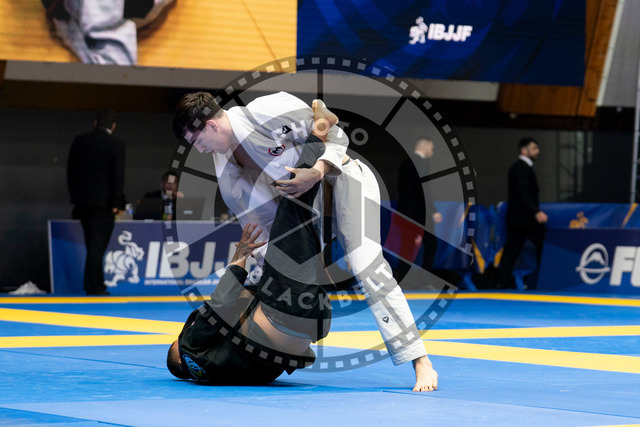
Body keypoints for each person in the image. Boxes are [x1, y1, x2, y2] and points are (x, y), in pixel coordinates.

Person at [173, 92, 438, 391]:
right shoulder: (226, 173)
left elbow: (334, 133)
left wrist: (317, 171)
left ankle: (420, 360)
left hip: (343, 181)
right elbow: (263, 227)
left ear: (211, 125)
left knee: (365, 265)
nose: (200, 150)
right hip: (308, 213)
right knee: (277, 275)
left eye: (197, 141)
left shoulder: (265, 112)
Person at [167, 103, 334, 384]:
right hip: (285, 314)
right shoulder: (189, 348)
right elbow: (221, 304)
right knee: (294, 201)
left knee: (300, 227)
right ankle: (321, 129)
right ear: (180, 358)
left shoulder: (219, 369)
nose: (180, 336)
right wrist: (241, 256)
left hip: (307, 327)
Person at [67, 109, 125, 295]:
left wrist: (76, 197)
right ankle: (96, 287)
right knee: (97, 246)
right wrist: (116, 203)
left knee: (92, 244)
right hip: (104, 204)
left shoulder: (80, 141)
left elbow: (71, 172)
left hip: (83, 203)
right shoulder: (116, 144)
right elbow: (117, 176)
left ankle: (92, 284)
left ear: (95, 123)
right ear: (113, 126)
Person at [497, 137, 548, 289]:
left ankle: (503, 281)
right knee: (541, 244)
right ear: (524, 150)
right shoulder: (521, 168)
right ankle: (546, 279)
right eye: (534, 148)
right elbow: (523, 193)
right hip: (524, 219)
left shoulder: (523, 167)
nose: (538, 151)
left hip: (520, 219)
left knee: (512, 249)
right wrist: (536, 211)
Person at [394, 138, 442, 281]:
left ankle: (402, 279)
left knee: (406, 248)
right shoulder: (422, 163)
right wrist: (433, 211)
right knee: (431, 244)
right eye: (431, 149)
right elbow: (424, 190)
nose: (432, 153)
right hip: (419, 213)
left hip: (406, 213)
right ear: (424, 146)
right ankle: (424, 280)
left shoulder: (405, 163)